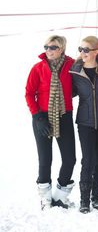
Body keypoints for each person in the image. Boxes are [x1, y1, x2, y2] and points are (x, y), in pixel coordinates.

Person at [25, 35, 76, 210]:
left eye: (53, 47)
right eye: (46, 47)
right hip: (42, 118)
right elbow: (29, 93)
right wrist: (37, 116)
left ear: (62, 48)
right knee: (45, 159)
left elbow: (80, 84)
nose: (48, 50)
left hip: (64, 115)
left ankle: (60, 197)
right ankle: (45, 198)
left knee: (70, 158)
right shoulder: (38, 68)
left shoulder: (71, 65)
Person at [69, 36, 98, 214]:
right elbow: (68, 92)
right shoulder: (75, 71)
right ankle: (84, 200)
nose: (82, 53)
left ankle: (96, 198)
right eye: (80, 49)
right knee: (88, 160)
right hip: (85, 122)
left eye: (86, 49)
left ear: (96, 51)